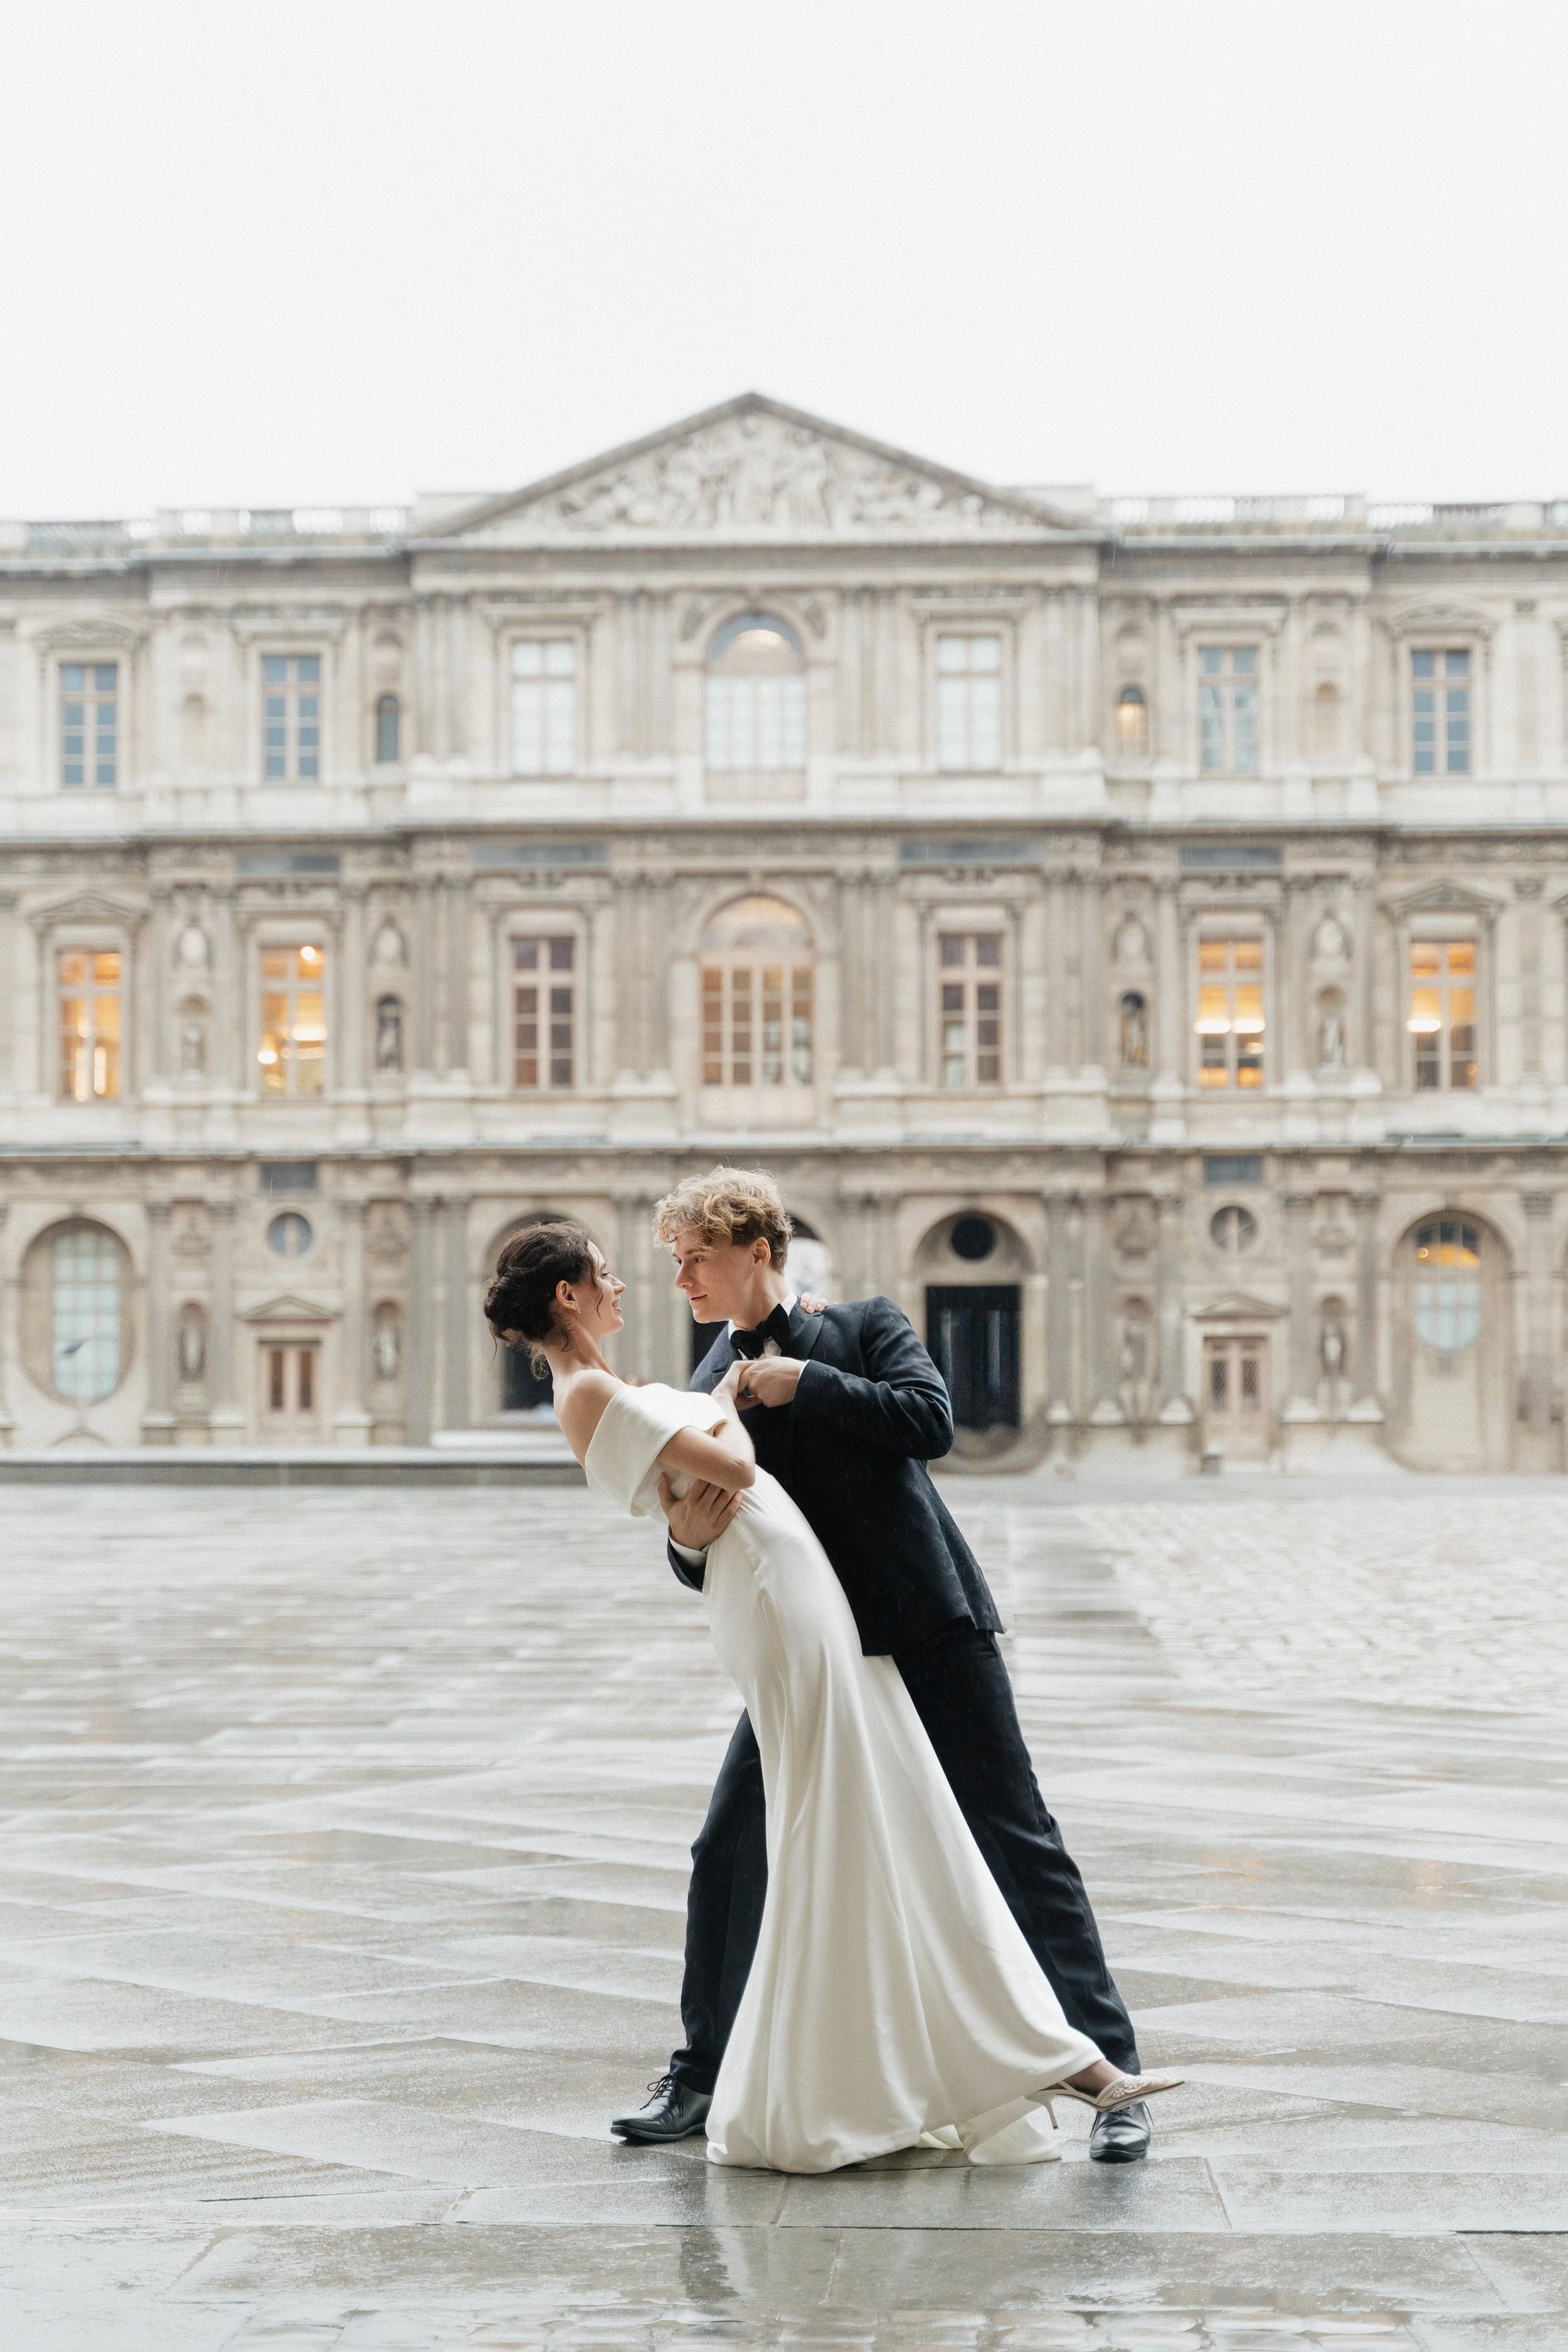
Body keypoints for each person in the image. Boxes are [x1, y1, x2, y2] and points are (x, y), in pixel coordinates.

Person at [483, 1219, 1180, 2173]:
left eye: (695, 1257)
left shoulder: (863, 1325)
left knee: (1015, 1839)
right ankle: (701, 2074)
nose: (678, 1278)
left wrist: (807, 1383)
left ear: (756, 1249)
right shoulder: (705, 1380)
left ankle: (1111, 2077)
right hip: (808, 1640)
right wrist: (685, 1538)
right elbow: (700, 1518)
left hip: (925, 1620)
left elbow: (930, 1422)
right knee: (730, 1851)